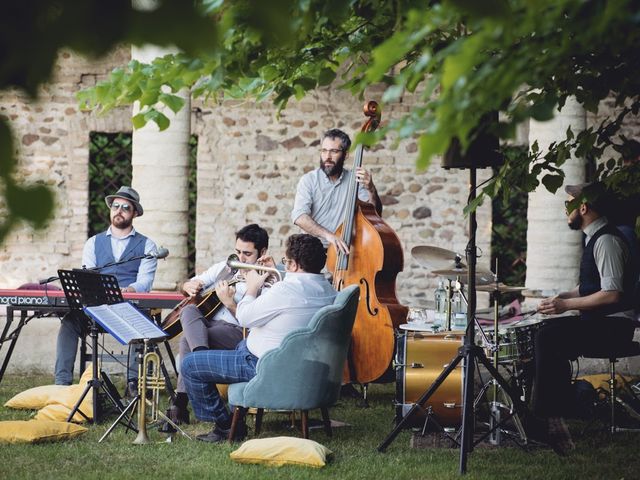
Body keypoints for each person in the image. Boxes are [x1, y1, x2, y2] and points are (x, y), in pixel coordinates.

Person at [181, 234, 337, 443]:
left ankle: (225, 425)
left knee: (190, 364)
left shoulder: (286, 290)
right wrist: (277, 276)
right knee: (235, 344)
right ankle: (234, 412)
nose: (285, 265)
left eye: (286, 261)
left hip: (261, 364)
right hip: (292, 361)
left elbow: (245, 317)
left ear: (295, 264)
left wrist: (252, 287)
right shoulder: (327, 289)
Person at [532, 182, 637, 454]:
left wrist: (566, 305)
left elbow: (612, 294)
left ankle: (550, 416)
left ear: (583, 207)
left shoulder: (607, 241)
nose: (564, 209)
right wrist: (561, 297)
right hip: (602, 323)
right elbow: (592, 287)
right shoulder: (596, 237)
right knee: (545, 330)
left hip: (614, 328)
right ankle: (558, 408)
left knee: (549, 336)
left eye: (568, 204)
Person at [164, 224, 270, 427]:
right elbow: (191, 283)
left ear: (262, 252)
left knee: (187, 339)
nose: (240, 258)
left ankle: (180, 403)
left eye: (247, 253)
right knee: (188, 311)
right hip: (208, 328)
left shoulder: (265, 280)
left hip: (239, 333)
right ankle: (200, 362)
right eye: (238, 251)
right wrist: (187, 286)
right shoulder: (226, 267)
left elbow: (253, 322)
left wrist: (231, 304)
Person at [54, 186, 158, 387]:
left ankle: (134, 385)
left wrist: (131, 290)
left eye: (125, 207)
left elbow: (145, 283)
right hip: (97, 310)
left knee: (142, 321)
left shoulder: (148, 245)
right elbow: (87, 276)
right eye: (115, 206)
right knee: (69, 322)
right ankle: (61, 383)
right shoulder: (93, 242)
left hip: (128, 309)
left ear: (135, 213)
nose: (119, 210)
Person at [291, 128, 382, 254]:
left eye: (334, 151)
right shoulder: (308, 180)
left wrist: (371, 189)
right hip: (311, 254)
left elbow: (373, 216)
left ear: (346, 155)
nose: (327, 157)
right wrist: (329, 236)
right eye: (324, 151)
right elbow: (300, 217)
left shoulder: (355, 180)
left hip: (345, 252)